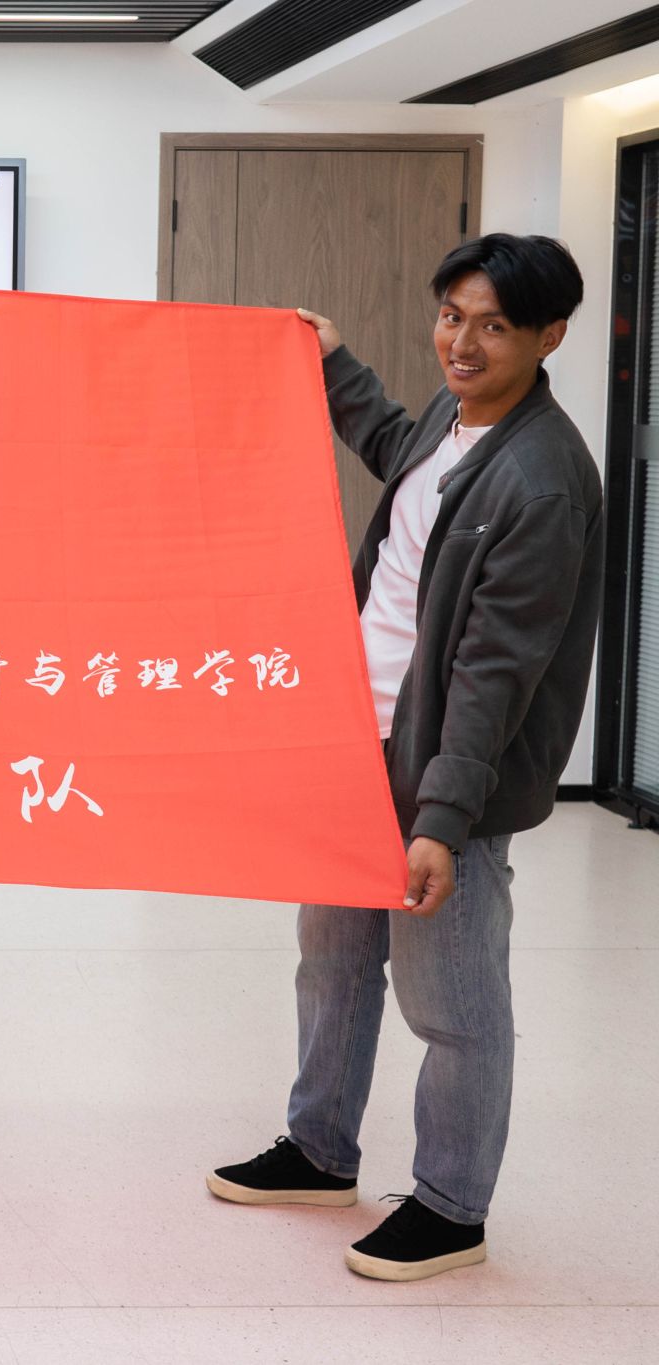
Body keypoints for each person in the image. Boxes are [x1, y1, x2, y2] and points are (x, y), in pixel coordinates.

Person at [207, 234, 604, 1281]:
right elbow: (396, 446)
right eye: (450, 316)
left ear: (548, 336)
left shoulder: (543, 481)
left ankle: (451, 1207)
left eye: (492, 326)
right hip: (358, 741)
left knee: (453, 1007)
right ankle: (318, 1151)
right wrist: (333, 363)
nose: (461, 343)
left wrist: (440, 819)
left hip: (438, 773)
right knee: (334, 964)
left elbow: (493, 672)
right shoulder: (454, 417)